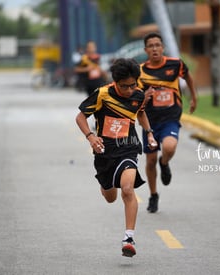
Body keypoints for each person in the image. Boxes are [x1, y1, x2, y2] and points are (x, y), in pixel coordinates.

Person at [75, 58, 157, 257]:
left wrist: (149, 133)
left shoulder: (138, 95)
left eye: (132, 85)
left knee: (128, 190)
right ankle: (105, 184)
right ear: (115, 81)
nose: (129, 90)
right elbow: (80, 117)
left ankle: (128, 238)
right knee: (110, 197)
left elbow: (141, 113)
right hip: (104, 151)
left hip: (128, 148)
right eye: (124, 87)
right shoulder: (102, 94)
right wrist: (91, 136)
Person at [138, 32, 198, 213]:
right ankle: (153, 194)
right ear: (146, 50)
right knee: (150, 161)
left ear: (162, 47)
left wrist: (193, 98)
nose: (155, 48)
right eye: (151, 46)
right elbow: (135, 96)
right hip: (149, 122)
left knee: (170, 147)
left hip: (170, 118)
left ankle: (164, 163)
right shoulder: (140, 71)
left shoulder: (175, 64)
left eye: (158, 45)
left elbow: (188, 77)